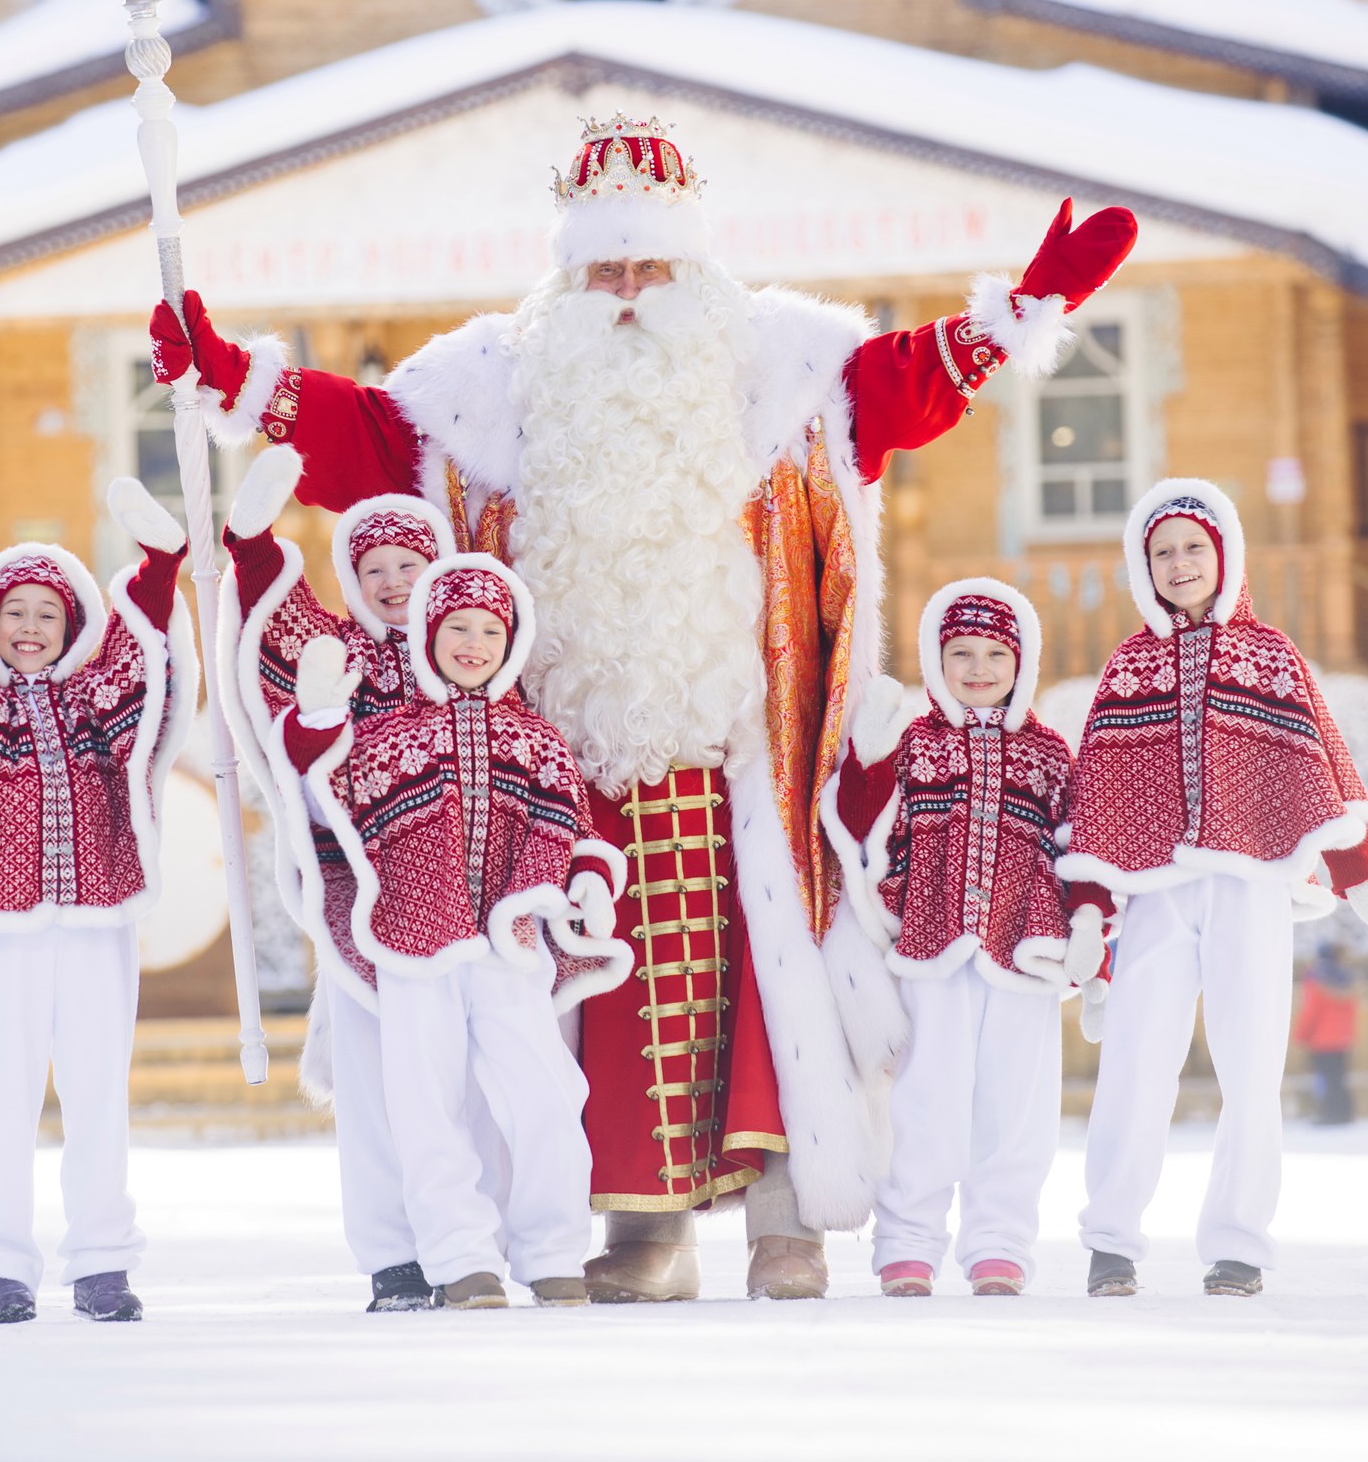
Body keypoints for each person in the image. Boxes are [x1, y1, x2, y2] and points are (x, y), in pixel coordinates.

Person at [151, 111, 1137, 1300]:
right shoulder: (488, 388)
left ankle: (785, 1220)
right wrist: (232, 381)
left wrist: (1019, 309)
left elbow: (903, 382)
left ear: (693, 265)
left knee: (773, 992)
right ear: (567, 271)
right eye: (602, 267)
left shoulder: (782, 371)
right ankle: (637, 1232)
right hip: (562, 756)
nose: (624, 292)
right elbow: (363, 436)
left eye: (648, 265)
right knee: (601, 1001)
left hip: (747, 747)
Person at [1058, 477, 1368, 1299]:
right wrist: (1094, 921)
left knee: (1252, 1063)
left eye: (1193, 546)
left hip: (1250, 886)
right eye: (1162, 553)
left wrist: (1361, 877)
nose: (1180, 563)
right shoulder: (1127, 669)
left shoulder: (1271, 657)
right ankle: (1111, 1239)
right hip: (1157, 894)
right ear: (1141, 567)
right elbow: (1099, 805)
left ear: (1224, 553)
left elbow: (1319, 771)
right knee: (1134, 1063)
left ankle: (1239, 1244)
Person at [279, 555, 632, 1309]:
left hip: (512, 945)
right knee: (424, 1100)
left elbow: (570, 830)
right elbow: (325, 800)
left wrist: (589, 885)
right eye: (457, 628)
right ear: (429, 634)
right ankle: (459, 1258)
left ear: (511, 642)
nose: (473, 643)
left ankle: (552, 1250)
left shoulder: (535, 741)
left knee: (544, 1092)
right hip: (415, 942)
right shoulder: (387, 739)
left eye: (490, 630)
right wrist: (314, 723)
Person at [0, 473, 194, 1325]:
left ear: (72, 624)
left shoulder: (99, 693)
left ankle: (100, 1259)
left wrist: (161, 564)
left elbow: (152, 661)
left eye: (46, 616)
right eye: (14, 613)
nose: (28, 630)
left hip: (97, 916)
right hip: (1, 920)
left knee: (98, 1088)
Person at [218, 443, 499, 1313]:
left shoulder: (472, 647)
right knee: (377, 1079)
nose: (389, 582)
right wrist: (255, 545)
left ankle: (476, 1242)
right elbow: (273, 621)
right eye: (371, 567)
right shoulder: (334, 651)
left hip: (471, 894)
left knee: (475, 1078)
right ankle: (393, 1254)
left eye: (408, 565)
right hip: (361, 891)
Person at [822, 579, 1089, 1298]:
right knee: (926, 1099)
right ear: (936, 661)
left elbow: (1079, 847)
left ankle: (999, 1242)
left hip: (1026, 950)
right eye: (960, 653)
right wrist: (867, 762)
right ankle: (909, 1240)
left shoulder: (1050, 755)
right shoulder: (914, 745)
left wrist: (1091, 928)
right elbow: (861, 830)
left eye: (995, 653)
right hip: (932, 944)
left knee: (1016, 1105)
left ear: (1021, 659)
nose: (978, 668)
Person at [1293, 942, 1360, 1126]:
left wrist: (1301, 1035)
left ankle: (1328, 1114)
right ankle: (1345, 1114)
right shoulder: (1346, 977)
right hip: (1342, 1038)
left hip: (1321, 1039)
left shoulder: (1315, 980)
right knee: (1339, 1078)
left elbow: (1311, 1011)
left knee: (1325, 1079)